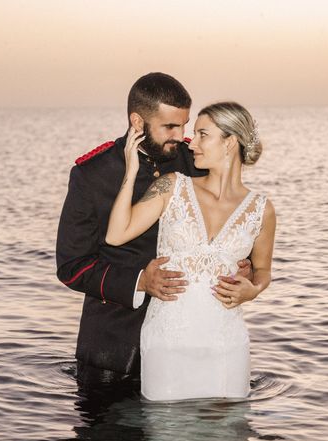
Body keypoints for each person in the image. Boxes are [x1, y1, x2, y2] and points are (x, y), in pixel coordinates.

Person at [56, 73, 251, 388]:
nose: (181, 135)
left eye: (185, 125)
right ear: (137, 121)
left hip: (188, 345)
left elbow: (233, 219)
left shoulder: (194, 162)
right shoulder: (92, 175)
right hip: (114, 353)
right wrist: (139, 281)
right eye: (170, 127)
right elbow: (71, 266)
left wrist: (243, 265)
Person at [106, 101, 276, 401]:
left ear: (229, 142)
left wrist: (253, 290)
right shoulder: (172, 187)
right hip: (168, 342)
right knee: (168, 440)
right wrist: (130, 172)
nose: (191, 143)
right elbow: (116, 235)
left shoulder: (261, 210)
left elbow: (262, 271)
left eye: (202, 135)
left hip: (226, 345)